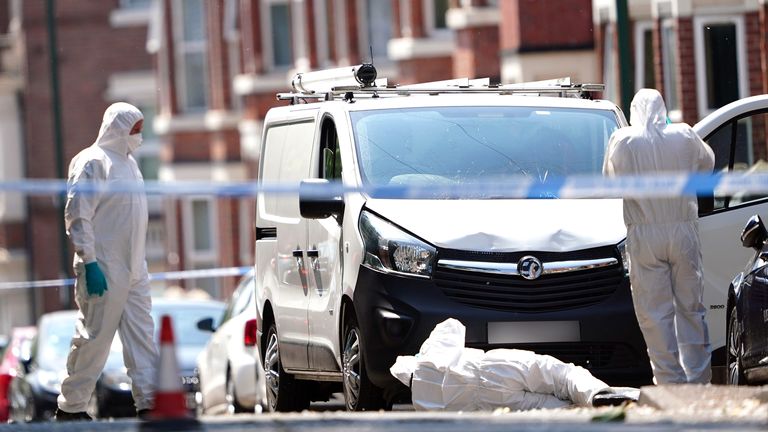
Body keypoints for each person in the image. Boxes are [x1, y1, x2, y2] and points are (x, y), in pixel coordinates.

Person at [603, 89, 715, 384]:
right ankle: (699, 380)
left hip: (645, 231)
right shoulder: (685, 135)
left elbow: (609, 181)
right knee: (691, 307)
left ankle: (669, 382)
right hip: (682, 227)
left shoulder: (623, 140)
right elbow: (708, 164)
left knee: (655, 313)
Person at [56, 102, 158, 421]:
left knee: (143, 337)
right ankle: (70, 408)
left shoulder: (131, 165)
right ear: (118, 128)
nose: (138, 137)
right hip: (103, 268)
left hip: (134, 270)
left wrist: (137, 266)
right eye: (135, 130)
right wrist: (89, 262)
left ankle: (149, 404)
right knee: (94, 340)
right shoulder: (92, 162)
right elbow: (77, 213)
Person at [390, 319, 637, 411]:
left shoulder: (425, 404)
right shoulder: (431, 350)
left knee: (557, 409)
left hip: (483, 403)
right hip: (493, 366)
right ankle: (599, 395)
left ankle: (598, 405)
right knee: (560, 375)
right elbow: (453, 326)